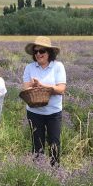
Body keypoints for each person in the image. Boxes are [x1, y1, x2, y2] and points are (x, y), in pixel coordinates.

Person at [22, 36, 66, 166]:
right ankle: (39, 172)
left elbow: (61, 89)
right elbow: (26, 88)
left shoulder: (58, 66)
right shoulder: (30, 67)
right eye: (36, 52)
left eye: (42, 51)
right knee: (37, 144)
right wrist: (32, 84)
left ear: (49, 52)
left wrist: (43, 86)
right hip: (34, 112)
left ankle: (55, 171)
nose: (38, 54)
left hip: (53, 112)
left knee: (54, 143)